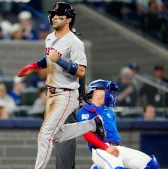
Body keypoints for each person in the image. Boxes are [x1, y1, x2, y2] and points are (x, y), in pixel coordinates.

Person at [17, 2, 104, 169]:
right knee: (56, 135)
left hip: (66, 93)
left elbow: (80, 71)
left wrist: (61, 61)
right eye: (53, 15)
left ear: (69, 19)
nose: (54, 18)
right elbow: (49, 58)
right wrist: (35, 66)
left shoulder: (75, 42)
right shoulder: (50, 37)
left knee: (44, 136)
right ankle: (93, 124)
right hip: (51, 93)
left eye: (59, 15)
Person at [77, 79, 159, 169]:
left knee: (151, 164)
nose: (110, 94)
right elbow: (87, 134)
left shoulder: (109, 111)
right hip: (100, 149)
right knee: (117, 167)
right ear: (96, 92)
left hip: (117, 148)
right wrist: (106, 147)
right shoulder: (85, 110)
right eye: (107, 90)